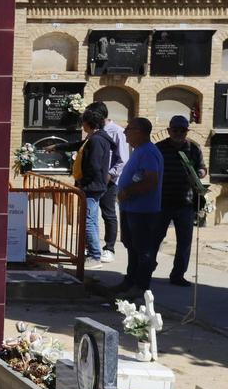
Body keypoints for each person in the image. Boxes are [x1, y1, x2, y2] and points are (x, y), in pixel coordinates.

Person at [50, 107, 113, 269]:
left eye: (83, 122)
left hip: (91, 187)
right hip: (91, 185)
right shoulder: (93, 138)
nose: (82, 126)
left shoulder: (97, 140)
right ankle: (92, 252)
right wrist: (57, 147)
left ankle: (94, 256)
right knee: (90, 219)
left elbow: (94, 165)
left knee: (89, 221)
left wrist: (83, 183)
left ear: (87, 123)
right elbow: (77, 145)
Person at [115, 117, 164, 298]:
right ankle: (129, 281)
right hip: (131, 208)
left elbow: (151, 180)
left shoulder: (148, 152)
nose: (126, 132)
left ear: (140, 132)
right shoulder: (138, 151)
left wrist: (128, 191)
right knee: (132, 246)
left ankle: (141, 286)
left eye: (129, 129)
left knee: (142, 249)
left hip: (143, 210)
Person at [155, 115, 206, 287]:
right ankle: (146, 271)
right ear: (169, 130)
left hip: (185, 202)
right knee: (155, 239)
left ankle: (178, 275)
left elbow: (203, 168)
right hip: (162, 201)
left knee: (184, 242)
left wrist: (198, 174)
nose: (178, 133)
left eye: (182, 130)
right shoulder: (159, 148)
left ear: (186, 131)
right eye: (175, 130)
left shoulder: (194, 148)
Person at [99, 106, 130, 262]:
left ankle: (109, 247)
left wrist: (110, 175)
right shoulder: (96, 130)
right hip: (95, 180)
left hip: (109, 181)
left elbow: (123, 158)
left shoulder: (116, 131)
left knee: (108, 213)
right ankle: (89, 247)